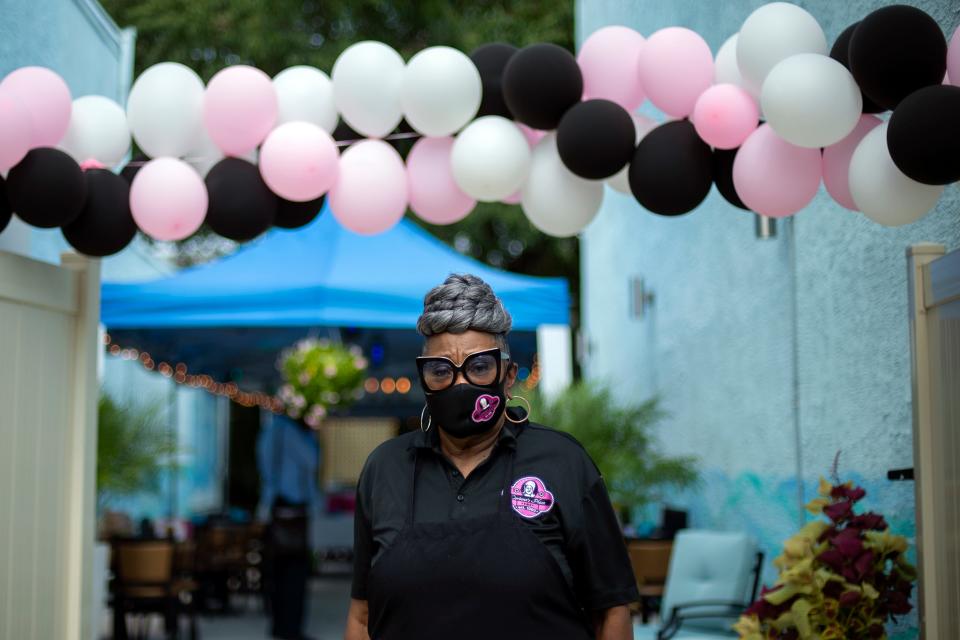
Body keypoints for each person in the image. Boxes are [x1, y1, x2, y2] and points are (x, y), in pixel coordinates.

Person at [345, 274, 638, 640]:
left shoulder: (563, 462)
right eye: (441, 371)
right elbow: (361, 619)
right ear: (425, 381)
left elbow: (611, 612)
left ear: (509, 375)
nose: (460, 384)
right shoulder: (384, 469)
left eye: (479, 367)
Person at [257, 413, 321, 640]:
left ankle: (284, 627)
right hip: (286, 507)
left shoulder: (279, 428)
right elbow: (311, 461)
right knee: (291, 572)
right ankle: (287, 628)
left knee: (284, 572)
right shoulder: (288, 429)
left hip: (283, 507)